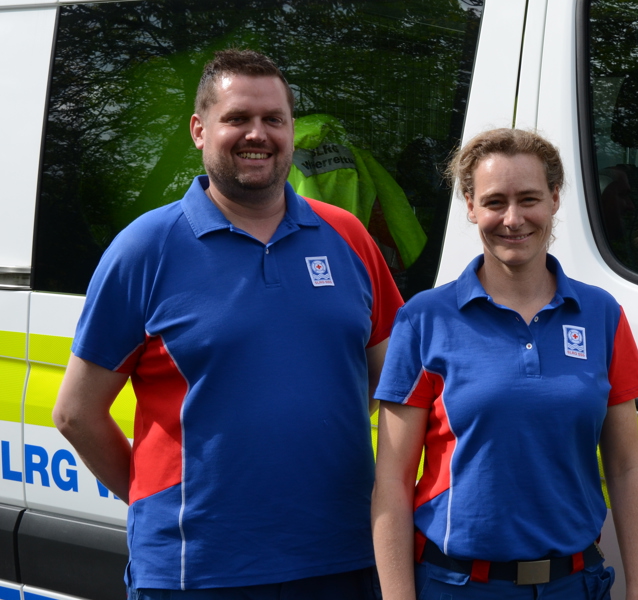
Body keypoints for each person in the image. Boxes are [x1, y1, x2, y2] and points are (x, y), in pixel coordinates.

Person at [52, 49, 402, 599]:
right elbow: (75, 413)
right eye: (237, 118)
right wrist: (154, 501)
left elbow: (392, 378)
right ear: (199, 130)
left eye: (274, 119)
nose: (257, 134)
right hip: (196, 571)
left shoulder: (347, 236)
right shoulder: (146, 248)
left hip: (341, 556)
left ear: (291, 130)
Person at [371, 128, 638, 600]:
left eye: (529, 199)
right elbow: (392, 481)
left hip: (575, 585)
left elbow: (626, 466)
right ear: (470, 206)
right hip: (459, 587)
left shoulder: (600, 314)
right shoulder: (424, 319)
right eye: (494, 202)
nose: (512, 218)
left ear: (555, 198)